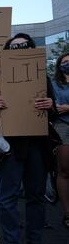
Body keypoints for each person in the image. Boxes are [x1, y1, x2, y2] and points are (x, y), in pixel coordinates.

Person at [0, 33, 55, 244]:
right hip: (11, 147)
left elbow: (52, 114)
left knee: (36, 195)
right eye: (14, 47)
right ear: (7, 52)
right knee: (9, 196)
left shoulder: (42, 79)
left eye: (24, 46)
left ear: (31, 49)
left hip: (37, 145)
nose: (20, 49)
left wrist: (50, 106)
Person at [51, 51, 69, 229]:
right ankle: (67, 213)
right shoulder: (54, 84)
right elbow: (54, 106)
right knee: (64, 170)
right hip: (62, 126)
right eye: (64, 62)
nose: (67, 63)